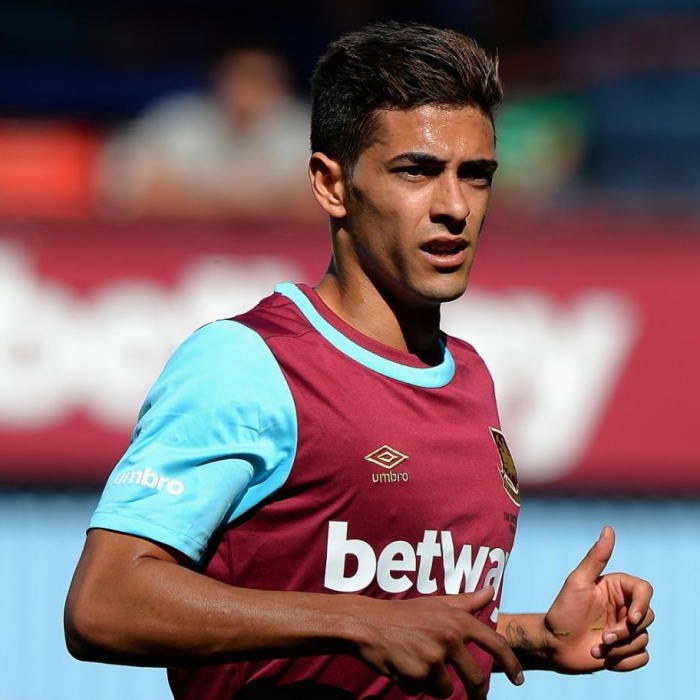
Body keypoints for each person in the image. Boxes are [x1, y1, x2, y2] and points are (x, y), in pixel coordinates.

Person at [65, 21, 654, 700]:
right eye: (416, 171)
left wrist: (534, 640)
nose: (455, 207)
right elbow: (102, 604)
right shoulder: (251, 361)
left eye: (476, 176)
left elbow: (405, 625)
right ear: (331, 184)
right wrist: (358, 622)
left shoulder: (470, 375)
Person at [96, 45, 317, 221]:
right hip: (177, 244)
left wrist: (260, 210)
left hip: (284, 249)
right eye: (240, 78)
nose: (247, 90)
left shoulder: (307, 127)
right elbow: (125, 187)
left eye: (259, 80)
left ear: (280, 87)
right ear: (219, 82)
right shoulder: (177, 121)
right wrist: (210, 208)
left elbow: (326, 203)